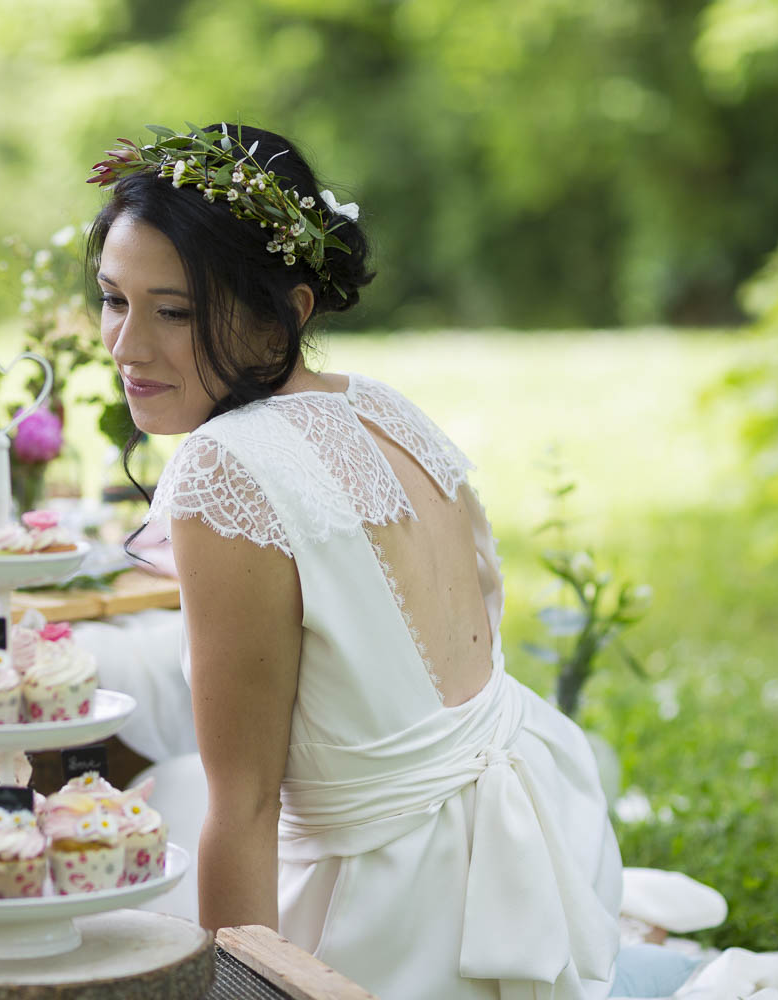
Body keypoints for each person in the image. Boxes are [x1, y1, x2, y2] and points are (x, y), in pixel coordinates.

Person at [85, 123, 628, 999]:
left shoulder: (225, 469)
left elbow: (248, 806)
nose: (126, 346)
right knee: (160, 800)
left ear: (286, 313)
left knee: (125, 875)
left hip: (400, 926)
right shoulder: (384, 408)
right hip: (535, 845)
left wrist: (240, 990)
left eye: (174, 311)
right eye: (115, 299)